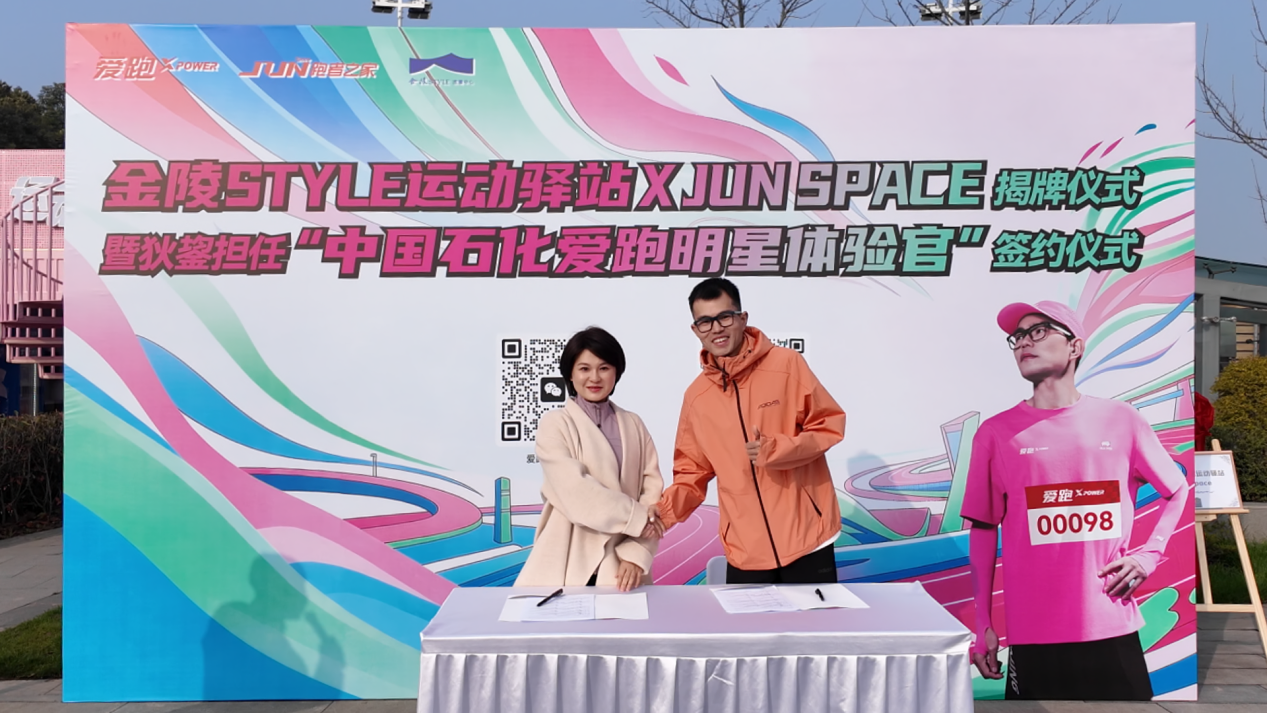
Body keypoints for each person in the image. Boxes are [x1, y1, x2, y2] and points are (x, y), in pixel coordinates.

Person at [964, 300, 1189, 700]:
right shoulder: (995, 433)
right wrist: (983, 625)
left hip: (1110, 621)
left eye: (1038, 331)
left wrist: (1149, 555)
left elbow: (1177, 489)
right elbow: (983, 529)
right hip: (1033, 631)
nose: (1024, 343)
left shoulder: (1121, 420)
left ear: (1075, 346)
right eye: (1017, 337)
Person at [655, 278, 845, 584]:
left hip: (807, 538)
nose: (716, 329)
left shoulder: (787, 364)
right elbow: (692, 474)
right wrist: (660, 515)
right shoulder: (696, 397)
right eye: (705, 322)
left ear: (742, 318)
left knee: (815, 618)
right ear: (695, 329)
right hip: (745, 549)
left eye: (724, 317)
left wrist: (779, 450)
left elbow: (829, 424)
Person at [515, 327, 664, 592]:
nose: (594, 377)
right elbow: (577, 492)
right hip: (568, 559)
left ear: (616, 372)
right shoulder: (555, 424)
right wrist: (639, 519)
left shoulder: (634, 424)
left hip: (623, 566)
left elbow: (652, 494)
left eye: (604, 368)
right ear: (570, 374)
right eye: (584, 368)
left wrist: (635, 555)